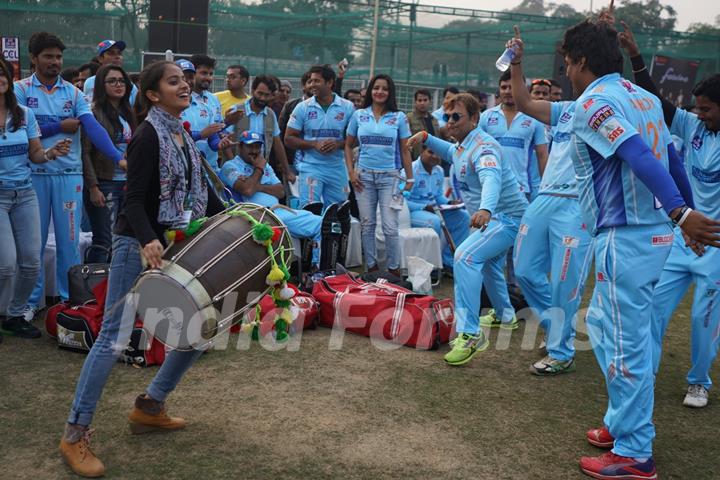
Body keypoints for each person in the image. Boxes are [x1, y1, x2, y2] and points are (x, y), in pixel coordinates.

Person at [559, 19, 720, 479]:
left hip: (625, 237)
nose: (567, 72)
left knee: (624, 345)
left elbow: (640, 155)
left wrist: (682, 213)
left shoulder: (594, 102)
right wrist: (684, 213)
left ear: (582, 61)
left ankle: (635, 453)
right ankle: (620, 423)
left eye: (568, 63)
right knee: (605, 328)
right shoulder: (643, 98)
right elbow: (671, 158)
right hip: (646, 238)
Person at [59, 60, 226, 478]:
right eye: (174, 81)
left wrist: (242, 220)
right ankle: (73, 433)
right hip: (138, 245)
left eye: (184, 80)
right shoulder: (149, 135)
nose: (184, 85)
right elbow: (132, 200)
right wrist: (148, 237)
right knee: (112, 340)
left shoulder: (180, 134)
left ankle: (151, 406)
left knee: (200, 328)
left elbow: (200, 194)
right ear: (153, 94)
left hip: (174, 242)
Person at [618, 22, 720, 409]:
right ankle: (647, 370)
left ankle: (699, 382)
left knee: (702, 318)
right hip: (682, 237)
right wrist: (635, 55)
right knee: (653, 308)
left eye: (707, 109)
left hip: (715, 242)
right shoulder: (693, 126)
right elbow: (655, 101)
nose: (700, 114)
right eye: (698, 108)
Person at [407, 93, 528, 365]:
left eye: (457, 117)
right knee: (489, 266)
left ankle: (470, 333)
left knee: (465, 257)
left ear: (474, 119)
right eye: (447, 116)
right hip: (497, 217)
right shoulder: (463, 145)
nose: (450, 122)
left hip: (505, 218)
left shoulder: (484, 148)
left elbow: (491, 178)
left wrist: (485, 209)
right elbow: (449, 151)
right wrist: (426, 137)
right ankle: (505, 315)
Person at [14, 31, 124, 321]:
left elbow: (92, 128)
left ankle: (70, 299)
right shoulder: (21, 90)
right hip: (34, 174)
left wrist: (117, 157)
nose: (54, 62)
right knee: (33, 244)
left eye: (58, 57)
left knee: (69, 242)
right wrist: (59, 125)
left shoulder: (73, 93)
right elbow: (22, 128)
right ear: (34, 58)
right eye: (48, 56)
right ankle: (30, 303)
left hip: (69, 176)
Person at [505, 31, 592, 376]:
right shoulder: (566, 111)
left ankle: (561, 350)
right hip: (544, 197)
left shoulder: (612, 110)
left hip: (578, 205)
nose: (568, 72)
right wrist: (517, 63)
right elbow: (525, 102)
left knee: (564, 281)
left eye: (572, 64)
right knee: (524, 269)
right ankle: (556, 326)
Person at [0, 59, 70, 341]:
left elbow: (35, 155)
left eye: (2, 74)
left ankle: (14, 315)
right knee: (6, 263)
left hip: (24, 194)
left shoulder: (24, 115)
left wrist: (51, 153)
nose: (0, 79)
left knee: (31, 261)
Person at [221, 130, 328, 268]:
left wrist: (257, 185)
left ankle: (317, 269)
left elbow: (281, 191)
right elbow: (247, 190)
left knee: (321, 223)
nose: (254, 150)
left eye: (257, 146)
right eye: (250, 146)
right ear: (240, 147)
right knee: (318, 223)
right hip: (256, 216)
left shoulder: (265, 165)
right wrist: (259, 168)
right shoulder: (230, 166)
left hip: (278, 212)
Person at [345, 74, 413, 276]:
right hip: (363, 178)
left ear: (390, 92)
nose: (380, 92)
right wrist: (351, 172)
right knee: (367, 225)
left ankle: (394, 270)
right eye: (376, 88)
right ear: (370, 91)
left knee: (391, 228)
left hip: (391, 178)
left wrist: (410, 178)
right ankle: (371, 268)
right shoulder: (358, 115)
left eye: (384, 88)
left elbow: (405, 150)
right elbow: (348, 145)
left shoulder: (399, 117)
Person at [82, 64, 137, 263]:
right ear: (101, 85)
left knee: (124, 241)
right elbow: (85, 153)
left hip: (126, 183)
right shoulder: (93, 113)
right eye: (112, 81)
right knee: (104, 240)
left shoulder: (128, 112)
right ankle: (91, 290)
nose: (118, 84)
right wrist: (93, 187)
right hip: (104, 182)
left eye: (122, 80)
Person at [285, 64, 355, 207]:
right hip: (311, 167)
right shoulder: (302, 107)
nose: (312, 85)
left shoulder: (348, 107)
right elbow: (288, 138)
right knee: (311, 210)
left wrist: (338, 144)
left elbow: (358, 139)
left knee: (338, 212)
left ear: (329, 83)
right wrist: (314, 144)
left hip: (337, 168)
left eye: (317, 81)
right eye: (311, 81)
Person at [480, 70, 549, 200]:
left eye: (511, 87)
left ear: (521, 89)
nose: (507, 91)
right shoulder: (486, 116)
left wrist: (546, 187)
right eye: (504, 87)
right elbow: (476, 150)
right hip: (491, 187)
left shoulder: (534, 118)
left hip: (521, 188)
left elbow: (542, 155)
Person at [404, 145, 470, 272]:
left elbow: (438, 195)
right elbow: (402, 200)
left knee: (463, 217)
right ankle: (430, 268)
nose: (434, 156)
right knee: (434, 221)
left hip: (434, 209)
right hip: (415, 211)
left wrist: (450, 202)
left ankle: (449, 261)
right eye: (430, 152)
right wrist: (423, 206)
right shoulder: (410, 170)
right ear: (421, 151)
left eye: (438, 154)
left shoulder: (438, 170)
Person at [226, 75, 294, 184]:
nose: (262, 98)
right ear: (253, 91)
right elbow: (225, 142)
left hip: (261, 169)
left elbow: (277, 143)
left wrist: (287, 171)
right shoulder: (237, 110)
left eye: (266, 95)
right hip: (237, 169)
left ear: (272, 96)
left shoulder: (270, 115)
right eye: (260, 93)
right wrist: (233, 168)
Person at [179, 55, 224, 174]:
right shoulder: (175, 103)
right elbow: (175, 137)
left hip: (210, 168)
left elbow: (214, 135)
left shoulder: (212, 101)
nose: (208, 78)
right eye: (204, 73)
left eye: (210, 74)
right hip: (183, 169)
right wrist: (201, 134)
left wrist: (221, 141)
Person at [83, 40, 138, 105]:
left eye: (119, 53)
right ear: (100, 59)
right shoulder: (91, 82)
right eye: (111, 53)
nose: (117, 57)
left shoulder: (131, 86)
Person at [406, 88, 442, 160]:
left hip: (432, 160)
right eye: (419, 100)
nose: (422, 103)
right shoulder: (408, 118)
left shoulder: (434, 120)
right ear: (415, 102)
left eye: (425, 100)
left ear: (430, 102)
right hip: (414, 161)